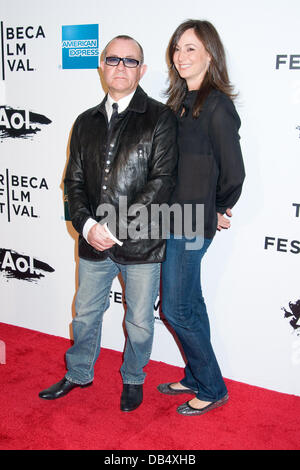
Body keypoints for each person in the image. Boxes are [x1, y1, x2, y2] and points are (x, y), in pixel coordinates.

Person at [39, 35, 178, 412]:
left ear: (142, 70)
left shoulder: (161, 118)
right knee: (84, 315)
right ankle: (79, 372)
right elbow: (75, 182)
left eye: (130, 61)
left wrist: (113, 228)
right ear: (101, 65)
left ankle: (134, 379)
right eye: (113, 59)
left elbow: (162, 183)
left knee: (139, 323)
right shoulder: (85, 121)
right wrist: (87, 227)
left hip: (141, 243)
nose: (120, 66)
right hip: (91, 241)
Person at [158, 20, 245, 416]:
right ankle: (196, 376)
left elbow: (234, 172)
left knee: (175, 308)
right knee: (189, 302)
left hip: (192, 221)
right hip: (173, 216)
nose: (181, 56)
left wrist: (218, 209)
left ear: (210, 54)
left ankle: (211, 386)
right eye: (177, 48)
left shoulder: (217, 105)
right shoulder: (179, 103)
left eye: (191, 48)